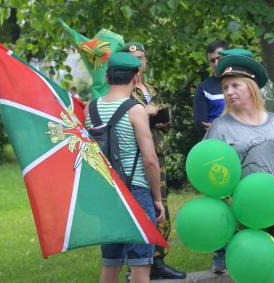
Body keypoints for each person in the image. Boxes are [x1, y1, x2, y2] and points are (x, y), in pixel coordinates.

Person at [204, 48, 274, 283]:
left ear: (251, 86)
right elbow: (207, 176)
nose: (229, 92)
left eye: (235, 85)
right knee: (252, 278)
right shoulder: (219, 128)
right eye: (225, 87)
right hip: (244, 217)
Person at [84, 52, 165, 283]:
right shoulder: (135, 109)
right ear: (136, 76)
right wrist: (157, 198)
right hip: (136, 191)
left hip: (108, 194)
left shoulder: (89, 109)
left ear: (108, 77)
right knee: (140, 264)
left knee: (111, 263)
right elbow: (150, 159)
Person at [119, 42, 186, 280]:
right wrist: (143, 116)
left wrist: (162, 120)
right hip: (137, 155)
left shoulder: (151, 88)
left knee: (162, 207)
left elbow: (162, 116)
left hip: (157, 152)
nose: (138, 62)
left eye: (141, 58)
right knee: (141, 207)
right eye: (133, 58)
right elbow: (121, 121)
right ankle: (135, 268)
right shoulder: (123, 90)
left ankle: (156, 260)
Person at [193, 40, 229, 135]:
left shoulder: (242, 81)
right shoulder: (204, 88)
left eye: (219, 58)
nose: (216, 63)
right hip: (217, 142)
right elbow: (201, 125)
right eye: (212, 61)